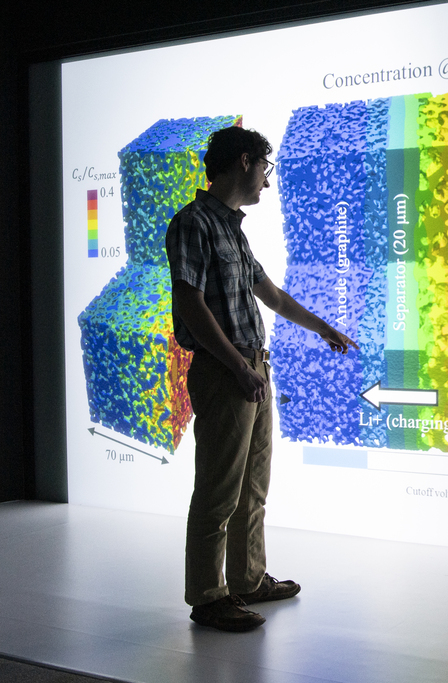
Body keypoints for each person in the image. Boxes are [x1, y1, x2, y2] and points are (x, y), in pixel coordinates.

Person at [166, 126, 358, 632]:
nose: (266, 184)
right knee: (218, 490)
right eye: (264, 171)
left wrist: (324, 328)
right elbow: (189, 301)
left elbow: (269, 294)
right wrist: (236, 365)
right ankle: (208, 598)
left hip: (251, 367)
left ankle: (247, 581)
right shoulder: (192, 223)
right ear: (244, 161)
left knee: (253, 486)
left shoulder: (232, 228)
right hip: (227, 369)